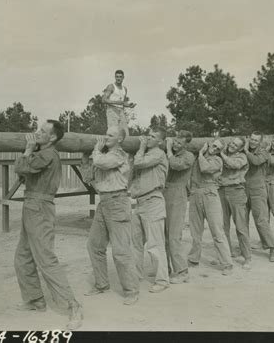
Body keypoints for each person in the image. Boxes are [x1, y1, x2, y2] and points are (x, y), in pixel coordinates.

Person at [14, 120, 83, 330]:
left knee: (46, 259)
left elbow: (21, 166)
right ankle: (36, 301)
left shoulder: (48, 154)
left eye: (42, 131)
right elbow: (24, 175)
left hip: (39, 207)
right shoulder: (41, 153)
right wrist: (30, 154)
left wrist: (27, 150)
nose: (36, 133)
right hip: (31, 205)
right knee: (23, 257)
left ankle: (74, 306)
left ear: (52, 137)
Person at [81, 126, 140, 305]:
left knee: (121, 250)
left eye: (110, 135)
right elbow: (88, 177)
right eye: (105, 133)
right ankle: (101, 284)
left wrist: (95, 151)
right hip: (104, 202)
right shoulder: (102, 155)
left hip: (117, 201)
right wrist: (85, 160)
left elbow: (101, 163)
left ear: (120, 139)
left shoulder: (119, 155)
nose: (105, 137)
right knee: (94, 245)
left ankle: (131, 291)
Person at [130, 128, 170, 293]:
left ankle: (162, 280)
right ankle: (135, 276)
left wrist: (140, 148)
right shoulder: (145, 154)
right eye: (148, 135)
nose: (147, 138)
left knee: (155, 244)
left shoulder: (159, 154)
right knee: (135, 244)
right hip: (139, 202)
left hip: (153, 201)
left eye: (152, 137)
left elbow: (139, 162)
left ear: (160, 141)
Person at [188, 138, 234, 276]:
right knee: (195, 231)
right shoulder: (196, 158)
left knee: (217, 230)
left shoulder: (217, 160)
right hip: (195, 193)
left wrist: (201, 154)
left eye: (218, 148)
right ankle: (194, 259)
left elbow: (205, 168)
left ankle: (227, 263)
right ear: (208, 144)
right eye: (213, 145)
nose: (214, 149)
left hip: (210, 194)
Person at [164, 130, 195, 284]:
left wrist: (169, 149)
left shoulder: (189, 156)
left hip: (177, 194)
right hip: (163, 193)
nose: (175, 144)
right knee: (163, 235)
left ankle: (182, 271)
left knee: (174, 235)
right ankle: (167, 269)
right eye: (175, 141)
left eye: (179, 143)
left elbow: (175, 166)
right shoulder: (168, 153)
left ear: (186, 144)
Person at [244, 132, 274, 262]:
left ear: (260, 142)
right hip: (243, 189)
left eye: (255, 140)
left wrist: (246, 151)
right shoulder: (243, 150)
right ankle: (244, 248)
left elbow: (256, 161)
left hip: (258, 190)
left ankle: (272, 248)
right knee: (242, 221)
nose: (253, 141)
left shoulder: (264, 152)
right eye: (251, 139)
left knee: (261, 221)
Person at [218, 137, 251, 269]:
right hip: (221, 191)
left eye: (236, 145)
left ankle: (247, 257)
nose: (232, 145)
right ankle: (228, 253)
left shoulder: (242, 157)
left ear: (240, 148)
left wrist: (221, 155)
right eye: (232, 142)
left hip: (236, 192)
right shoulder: (223, 153)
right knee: (223, 226)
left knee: (241, 226)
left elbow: (234, 165)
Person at [102, 70, 135, 136]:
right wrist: (116, 102)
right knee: (113, 132)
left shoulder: (124, 89)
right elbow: (103, 100)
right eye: (117, 77)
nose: (118, 78)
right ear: (115, 77)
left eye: (120, 77)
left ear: (123, 77)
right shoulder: (111, 86)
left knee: (125, 133)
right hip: (112, 110)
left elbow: (123, 103)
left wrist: (129, 105)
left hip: (121, 111)